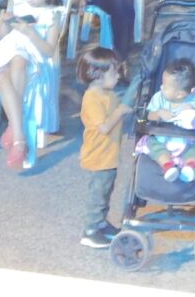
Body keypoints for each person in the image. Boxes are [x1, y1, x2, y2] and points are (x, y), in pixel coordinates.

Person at [77, 46, 129, 248]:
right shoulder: (92, 98)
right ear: (97, 75)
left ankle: (101, 223)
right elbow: (104, 127)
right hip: (98, 156)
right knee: (98, 196)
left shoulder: (108, 94)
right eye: (114, 73)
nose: (118, 76)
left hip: (108, 155)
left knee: (106, 192)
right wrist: (121, 111)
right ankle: (90, 230)